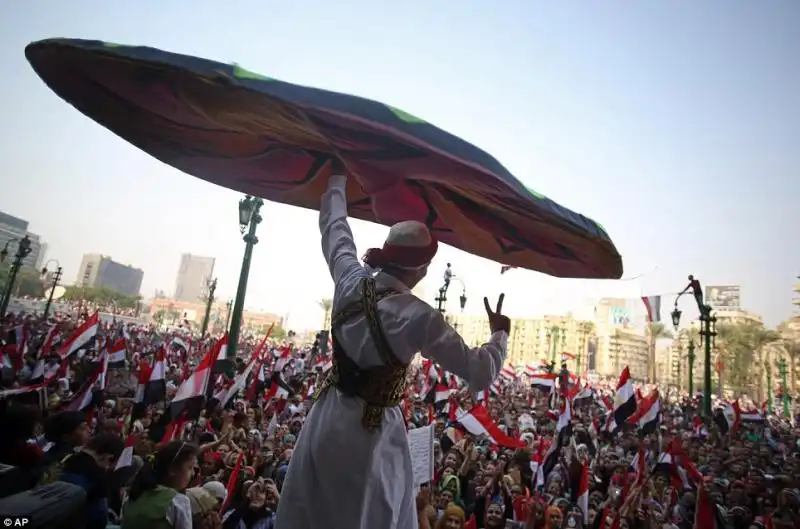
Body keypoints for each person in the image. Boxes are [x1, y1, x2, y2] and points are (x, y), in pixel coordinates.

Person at [275, 167, 511, 529]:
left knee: (312, 510)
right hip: (372, 437)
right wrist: (499, 336)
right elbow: (480, 372)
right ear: (423, 268)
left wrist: (336, 178)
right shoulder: (419, 317)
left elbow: (335, 230)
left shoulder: (350, 277)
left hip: (326, 417)